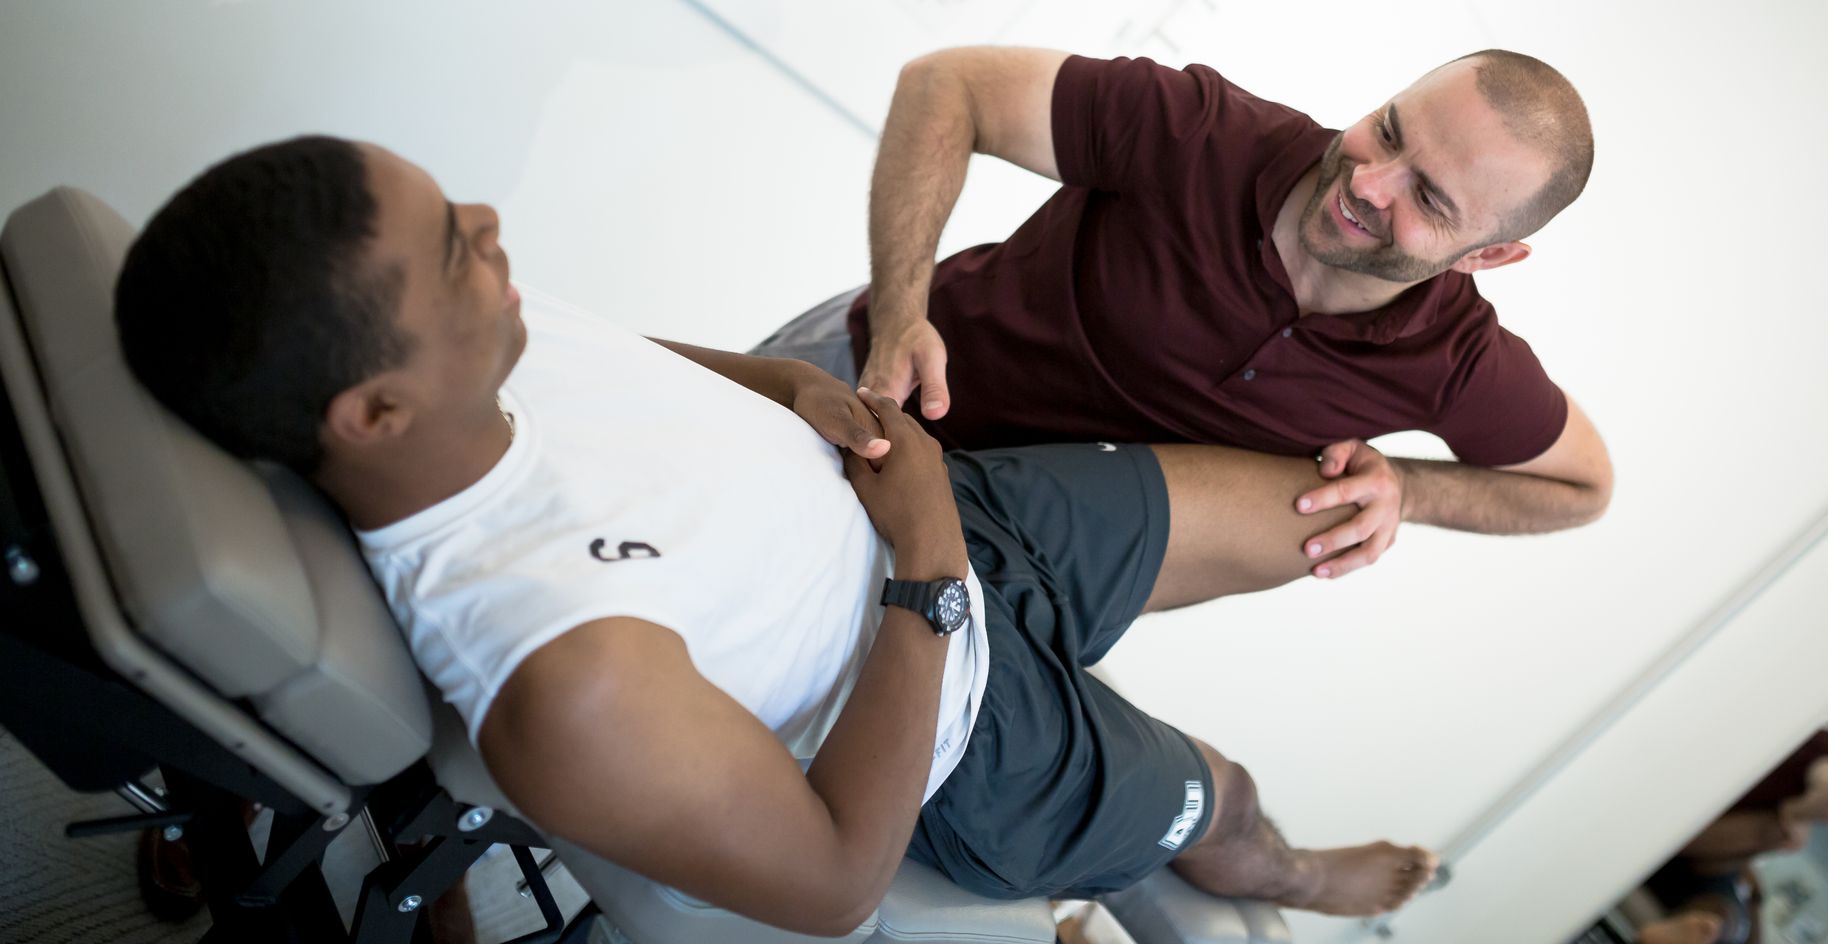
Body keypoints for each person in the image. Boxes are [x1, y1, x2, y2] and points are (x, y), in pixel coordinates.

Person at [112, 136, 1441, 934]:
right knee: (1226, 793)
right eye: (456, 250)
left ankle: (1145, 784)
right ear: (375, 413)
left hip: (943, 514)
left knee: (1306, 504)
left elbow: (648, 369)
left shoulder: (481, 345)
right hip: (965, 727)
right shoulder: (562, 669)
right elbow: (834, 881)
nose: (489, 226)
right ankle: (1283, 865)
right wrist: (927, 570)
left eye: (457, 210)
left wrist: (793, 388)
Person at [757, 47, 1613, 579]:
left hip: (989, 549)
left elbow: (1582, 488)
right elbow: (949, 86)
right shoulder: (1201, 132)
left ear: (1488, 256)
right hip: (867, 382)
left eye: (1427, 197)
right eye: (1388, 131)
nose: (1368, 182)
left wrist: (1409, 489)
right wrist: (902, 312)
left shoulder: (1457, 362)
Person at [1634, 718, 1828, 944]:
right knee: (1729, 914)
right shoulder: (1825, 754)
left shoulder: (1795, 736)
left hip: (1692, 832)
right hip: (1691, 852)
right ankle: (1706, 927)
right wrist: (1794, 814)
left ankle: (1696, 928)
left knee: (1747, 898)